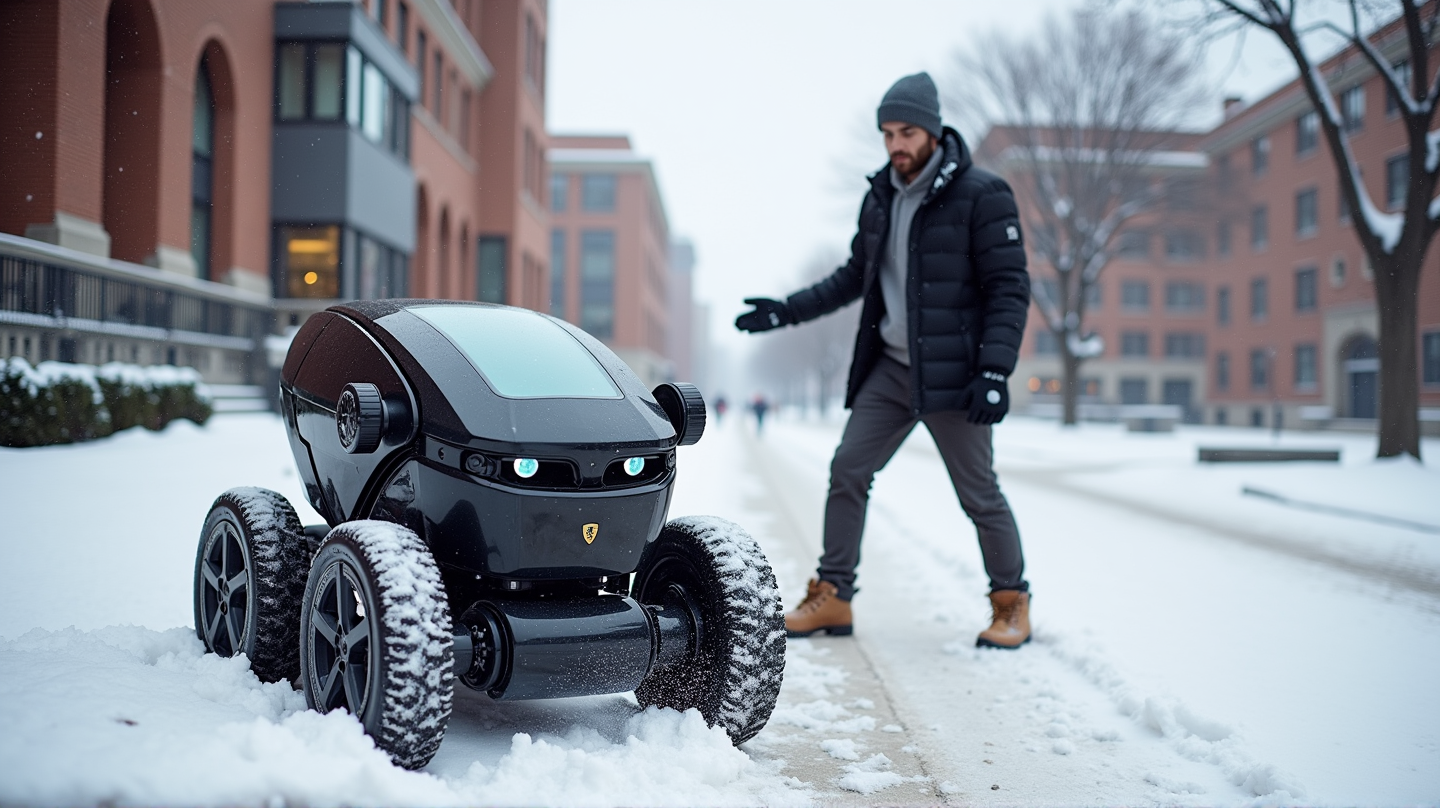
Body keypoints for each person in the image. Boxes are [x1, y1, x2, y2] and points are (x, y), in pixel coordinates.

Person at [735, 72, 1032, 649]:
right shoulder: (880, 197)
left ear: (934, 130)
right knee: (848, 470)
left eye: (907, 132)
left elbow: (1008, 289)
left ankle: (1011, 603)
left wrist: (995, 370)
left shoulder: (983, 193)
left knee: (979, 493)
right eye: (887, 133)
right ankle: (834, 597)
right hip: (893, 368)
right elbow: (855, 277)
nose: (896, 145)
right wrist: (785, 312)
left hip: (958, 373)